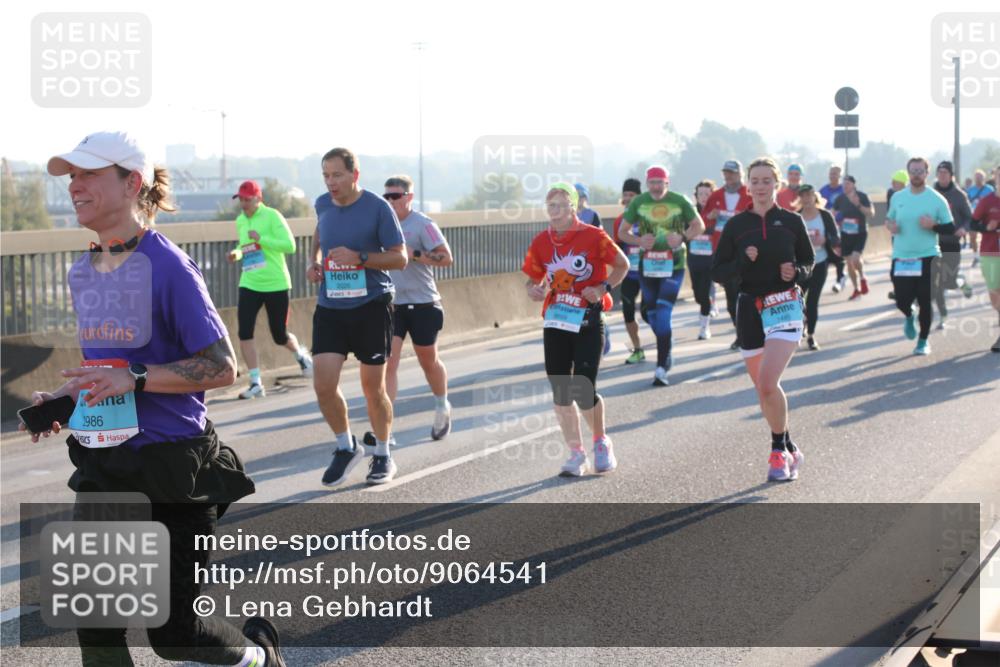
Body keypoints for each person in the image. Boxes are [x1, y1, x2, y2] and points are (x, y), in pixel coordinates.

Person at [25, 131, 284, 666]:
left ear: (132, 183)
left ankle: (260, 659)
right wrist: (66, 398)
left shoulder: (168, 267)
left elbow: (222, 367)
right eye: (71, 176)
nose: (75, 186)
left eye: (89, 174)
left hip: (173, 467)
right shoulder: (84, 269)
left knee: (174, 638)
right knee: (95, 626)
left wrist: (136, 377)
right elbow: (108, 371)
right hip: (108, 464)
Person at [308, 147, 407, 486]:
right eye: (326, 175)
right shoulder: (322, 203)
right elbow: (320, 233)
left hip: (371, 306)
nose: (331, 182)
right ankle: (345, 446)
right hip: (331, 306)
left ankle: (382, 454)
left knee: (372, 388)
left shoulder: (378, 208)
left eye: (337, 175)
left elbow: (400, 258)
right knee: (322, 384)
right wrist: (315, 261)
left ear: (354, 175)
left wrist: (359, 257)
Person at [712, 157, 814, 482]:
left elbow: (810, 263)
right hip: (748, 308)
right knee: (763, 390)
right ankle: (790, 445)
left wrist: (797, 272)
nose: (759, 186)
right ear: (748, 185)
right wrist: (742, 261)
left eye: (766, 180)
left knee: (769, 382)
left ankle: (776, 452)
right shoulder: (737, 225)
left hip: (784, 305)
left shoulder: (792, 222)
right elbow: (719, 271)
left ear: (778, 184)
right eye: (754, 181)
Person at [522, 183, 629, 475]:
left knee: (583, 387)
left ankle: (600, 441)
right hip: (556, 321)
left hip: (587, 321)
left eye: (559, 205)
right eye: (550, 206)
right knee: (560, 390)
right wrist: (534, 289)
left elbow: (622, 264)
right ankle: (576, 453)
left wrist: (603, 286)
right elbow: (533, 278)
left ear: (573, 206)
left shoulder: (594, 236)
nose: (553, 212)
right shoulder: (542, 241)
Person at [367, 175, 454, 445]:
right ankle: (385, 428)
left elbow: (446, 258)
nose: (391, 201)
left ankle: (442, 406)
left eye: (396, 196)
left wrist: (414, 254)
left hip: (424, 303)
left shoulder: (423, 224)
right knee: (388, 364)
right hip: (392, 304)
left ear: (409, 197)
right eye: (387, 197)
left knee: (428, 360)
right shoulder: (381, 225)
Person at [226, 179, 313, 399]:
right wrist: (236, 254)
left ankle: (301, 357)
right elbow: (243, 246)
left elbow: (290, 246)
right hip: (250, 282)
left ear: (258, 198)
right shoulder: (240, 221)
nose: (243, 203)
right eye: (241, 199)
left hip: (276, 283)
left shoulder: (272, 216)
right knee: (244, 332)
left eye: (247, 199)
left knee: (279, 334)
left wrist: (262, 238)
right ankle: (255, 382)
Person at [619, 166, 706, 385]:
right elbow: (622, 232)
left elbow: (699, 225)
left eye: (660, 182)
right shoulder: (639, 203)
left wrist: (683, 238)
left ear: (667, 183)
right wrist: (639, 241)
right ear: (647, 184)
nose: (656, 187)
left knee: (664, 311)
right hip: (647, 266)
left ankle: (661, 368)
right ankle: (666, 345)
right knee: (651, 314)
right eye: (652, 183)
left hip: (673, 265)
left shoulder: (680, 201)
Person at [885, 157, 955, 355]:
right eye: (913, 171)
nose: (916, 174)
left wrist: (933, 225)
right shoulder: (898, 197)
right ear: (908, 173)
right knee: (901, 300)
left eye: (920, 171)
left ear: (926, 173)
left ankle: (923, 341)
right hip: (902, 256)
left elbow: (950, 227)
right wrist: (891, 226)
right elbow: (889, 219)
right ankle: (909, 314)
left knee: (925, 300)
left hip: (928, 256)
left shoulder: (936, 199)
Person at [700, 160, 752, 350]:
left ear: (740, 174)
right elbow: (702, 222)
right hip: (724, 253)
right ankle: (740, 333)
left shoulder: (749, 194)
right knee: (732, 300)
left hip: (747, 253)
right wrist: (710, 218)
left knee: (747, 296)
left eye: (732, 173)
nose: (728, 176)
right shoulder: (716, 196)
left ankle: (750, 333)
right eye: (726, 173)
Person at [797, 185, 841, 350]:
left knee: (813, 300)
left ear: (815, 197)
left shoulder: (824, 216)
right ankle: (801, 325)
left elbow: (835, 237)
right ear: (800, 198)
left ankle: (811, 336)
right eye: (803, 196)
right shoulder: (796, 217)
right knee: (798, 300)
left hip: (820, 263)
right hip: (801, 266)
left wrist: (825, 240)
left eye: (809, 195)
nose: (806, 199)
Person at [932, 161, 974, 329]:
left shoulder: (958, 195)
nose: (942, 175)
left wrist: (963, 228)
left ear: (951, 176)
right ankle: (943, 316)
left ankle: (961, 282)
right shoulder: (930, 193)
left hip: (952, 242)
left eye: (945, 172)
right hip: (933, 242)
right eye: (940, 172)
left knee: (949, 282)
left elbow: (969, 217)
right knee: (936, 283)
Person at [612, 178, 647, 362]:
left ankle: (664, 339)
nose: (627, 198)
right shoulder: (619, 221)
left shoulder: (646, 218)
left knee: (649, 313)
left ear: (639, 197)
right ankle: (637, 349)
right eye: (625, 195)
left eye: (631, 195)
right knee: (627, 311)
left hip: (648, 271)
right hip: (629, 273)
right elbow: (616, 248)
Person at [970, 165, 1000, 352]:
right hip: (991, 252)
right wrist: (987, 229)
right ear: (995, 178)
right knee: (995, 294)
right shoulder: (987, 200)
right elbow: (973, 222)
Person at [831, 175, 874, 300]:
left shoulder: (862, 196)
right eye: (843, 185)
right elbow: (832, 213)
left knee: (855, 259)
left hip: (860, 232)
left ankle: (862, 277)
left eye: (848, 184)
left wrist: (859, 205)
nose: (845, 187)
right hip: (845, 234)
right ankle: (856, 289)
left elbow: (871, 213)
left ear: (854, 185)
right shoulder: (840, 198)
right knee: (849, 263)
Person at [689, 179, 720, 339]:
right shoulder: (690, 213)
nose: (703, 197)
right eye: (700, 193)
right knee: (698, 295)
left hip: (710, 260)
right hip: (694, 259)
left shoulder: (717, 213)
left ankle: (704, 328)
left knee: (706, 291)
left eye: (707, 194)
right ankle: (707, 304)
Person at [820, 165, 847, 293]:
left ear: (840, 176)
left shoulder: (844, 190)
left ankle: (839, 278)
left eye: (835, 173)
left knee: (839, 253)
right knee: (828, 254)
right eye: (831, 173)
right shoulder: (823, 191)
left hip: (842, 226)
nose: (833, 176)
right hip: (827, 227)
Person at [967, 169, 996, 268]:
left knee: (988, 236)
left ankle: (988, 256)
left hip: (987, 217)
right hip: (974, 215)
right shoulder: (970, 190)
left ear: (984, 178)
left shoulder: (990, 189)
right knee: (972, 237)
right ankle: (976, 256)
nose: (978, 179)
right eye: (976, 177)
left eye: (980, 177)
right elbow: (967, 202)